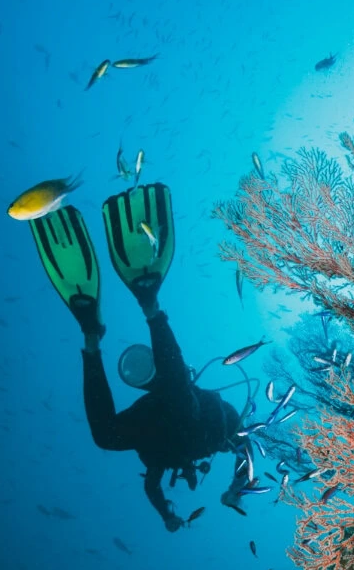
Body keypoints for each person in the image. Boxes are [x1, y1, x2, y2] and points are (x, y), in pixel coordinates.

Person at [28, 182, 251, 531]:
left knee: (105, 437)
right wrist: (233, 488)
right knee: (179, 396)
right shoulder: (211, 428)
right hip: (171, 408)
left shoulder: (174, 455)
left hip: (155, 425)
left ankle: (91, 342)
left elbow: (152, 484)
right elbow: (244, 448)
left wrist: (168, 516)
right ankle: (151, 308)